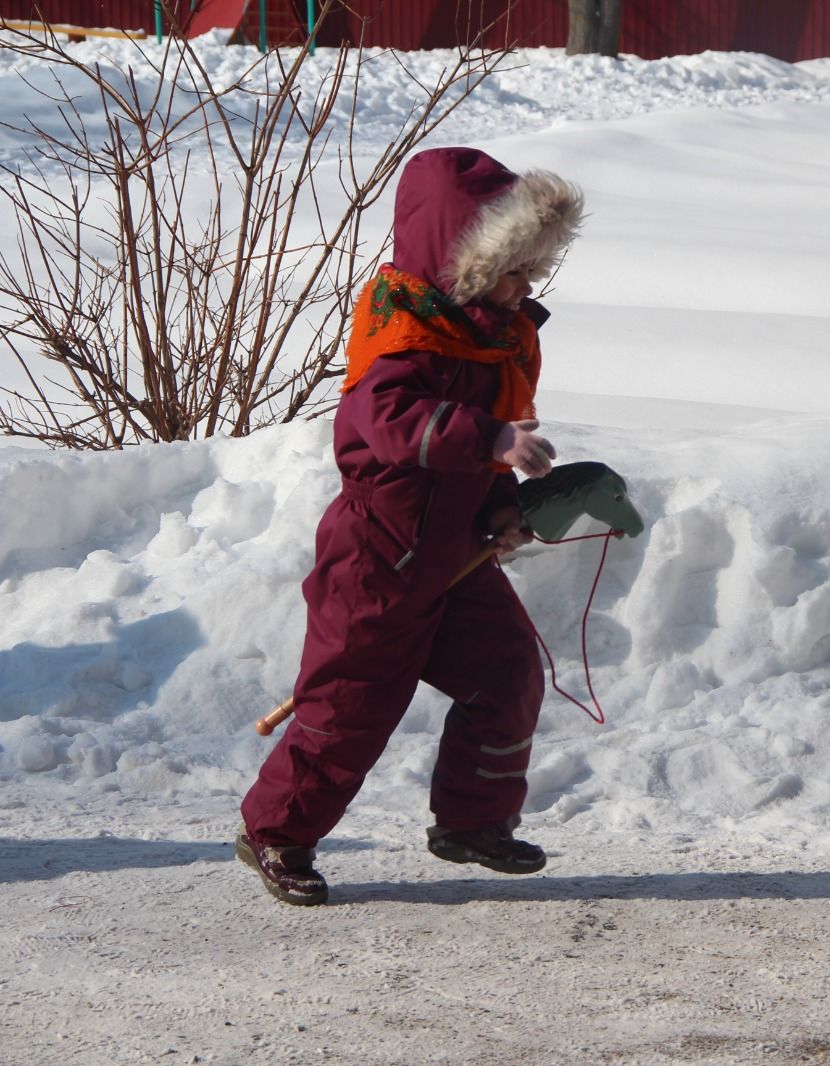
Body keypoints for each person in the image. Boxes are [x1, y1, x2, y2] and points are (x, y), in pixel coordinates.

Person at [236, 146, 585, 905]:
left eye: (533, 269)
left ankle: (473, 821)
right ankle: (276, 833)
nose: (528, 286)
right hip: (377, 558)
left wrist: (500, 509)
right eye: (515, 268)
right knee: (350, 705)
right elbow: (387, 422)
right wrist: (491, 439)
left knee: (508, 669)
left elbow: (484, 448)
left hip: (453, 553)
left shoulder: (492, 336)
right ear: (465, 261)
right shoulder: (401, 335)